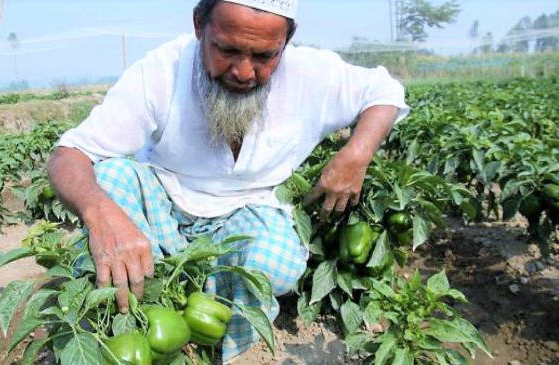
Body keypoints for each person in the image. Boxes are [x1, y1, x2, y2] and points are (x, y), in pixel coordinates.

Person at [47, 0, 409, 361]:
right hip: (164, 204)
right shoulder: (162, 70)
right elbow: (69, 154)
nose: (243, 71)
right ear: (199, 26)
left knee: (276, 267)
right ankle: (142, 312)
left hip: (247, 211)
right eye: (227, 49)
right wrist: (100, 214)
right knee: (110, 177)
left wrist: (356, 154)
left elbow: (385, 91)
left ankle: (220, 339)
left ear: (287, 40)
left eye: (265, 55)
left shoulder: (311, 74)